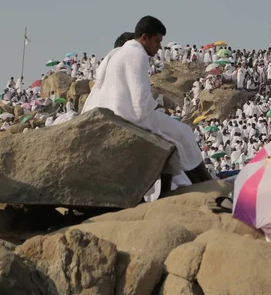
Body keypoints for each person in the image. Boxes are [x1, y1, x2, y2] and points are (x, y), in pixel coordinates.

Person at [82, 16, 212, 189]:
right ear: (144, 37)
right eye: (157, 41)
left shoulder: (117, 53)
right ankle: (205, 183)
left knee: (173, 137)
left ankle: (168, 189)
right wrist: (157, 108)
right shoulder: (137, 54)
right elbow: (139, 100)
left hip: (115, 112)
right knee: (184, 133)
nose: (159, 47)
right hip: (131, 116)